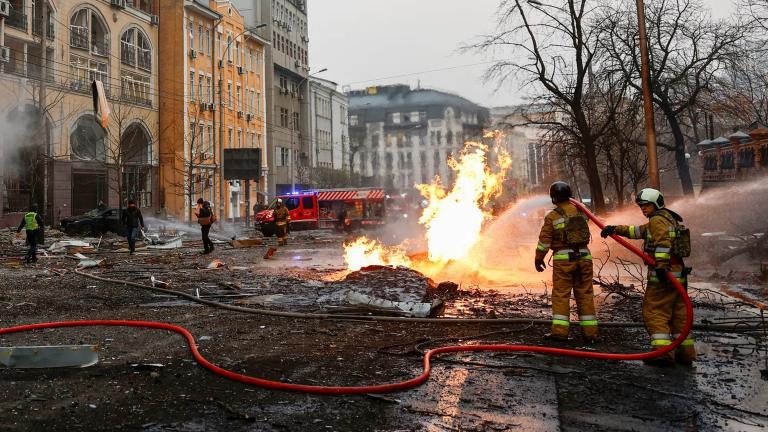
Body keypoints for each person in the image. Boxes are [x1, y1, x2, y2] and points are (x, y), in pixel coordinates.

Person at [600, 188, 696, 366]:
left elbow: (662, 243)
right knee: (679, 314)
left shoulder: (658, 220)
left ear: (656, 204)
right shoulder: (667, 218)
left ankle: (662, 354)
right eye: (641, 206)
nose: (643, 209)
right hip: (677, 273)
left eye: (646, 206)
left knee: (655, 311)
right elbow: (636, 231)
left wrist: (660, 265)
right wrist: (615, 229)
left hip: (664, 274)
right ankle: (686, 353)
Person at [535, 181, 598, 343]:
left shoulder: (553, 216)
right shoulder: (581, 211)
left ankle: (560, 332)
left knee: (561, 295)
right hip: (584, 258)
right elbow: (588, 220)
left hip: (564, 261)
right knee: (585, 295)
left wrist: (538, 258)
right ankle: (590, 334)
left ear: (553, 198)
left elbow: (544, 242)